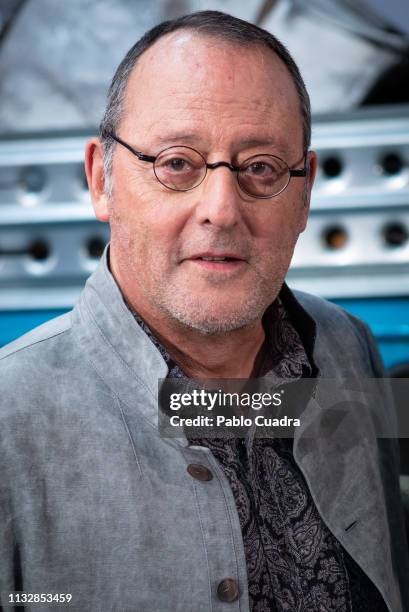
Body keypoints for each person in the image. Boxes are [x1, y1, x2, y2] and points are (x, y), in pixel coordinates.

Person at [0, 10, 407, 612]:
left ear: (306, 192)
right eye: (176, 163)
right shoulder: (11, 422)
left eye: (262, 169)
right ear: (101, 180)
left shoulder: (350, 348)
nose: (220, 209)